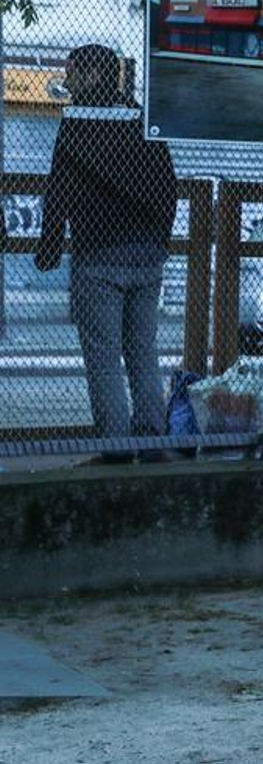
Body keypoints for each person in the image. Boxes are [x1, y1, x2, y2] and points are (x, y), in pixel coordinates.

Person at [37, 44, 176, 465]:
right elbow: (166, 185)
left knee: (103, 357)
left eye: (73, 72)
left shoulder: (78, 122)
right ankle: (152, 439)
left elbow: (57, 188)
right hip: (146, 256)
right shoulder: (139, 118)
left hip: (98, 255)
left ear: (93, 74)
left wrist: (48, 248)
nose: (68, 80)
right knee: (142, 352)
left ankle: (116, 447)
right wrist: (160, 241)